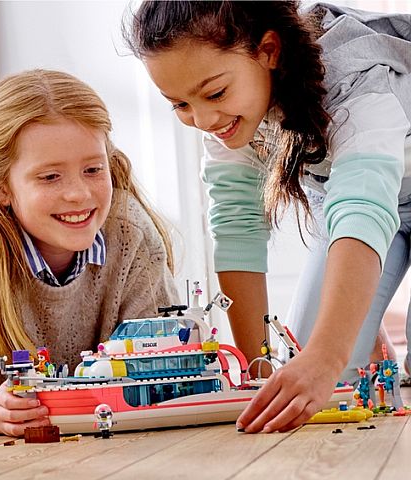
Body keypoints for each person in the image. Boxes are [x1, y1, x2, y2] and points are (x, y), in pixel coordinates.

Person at [123, 1, 411, 432]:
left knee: (325, 357)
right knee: (309, 372)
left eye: (215, 94)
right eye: (179, 104)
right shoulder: (226, 118)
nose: (203, 119)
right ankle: (364, 330)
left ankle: (361, 328)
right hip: (354, 203)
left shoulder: (356, 77)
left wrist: (328, 355)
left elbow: (362, 210)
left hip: (369, 197)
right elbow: (237, 224)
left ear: (269, 51)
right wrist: (255, 369)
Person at [0, 69, 178, 436]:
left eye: (93, 169)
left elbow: (165, 358)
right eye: (50, 177)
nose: (78, 193)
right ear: (0, 188)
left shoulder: (131, 235)